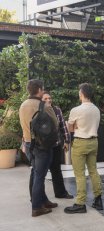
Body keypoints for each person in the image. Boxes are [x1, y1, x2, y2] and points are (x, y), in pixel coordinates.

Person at [19, 79, 59, 217]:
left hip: (29, 143)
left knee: (36, 173)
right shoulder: (44, 106)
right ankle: (36, 207)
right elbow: (56, 123)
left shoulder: (23, 105)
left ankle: (43, 201)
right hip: (42, 145)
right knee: (39, 176)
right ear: (40, 90)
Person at [64, 83, 103, 214]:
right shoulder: (96, 109)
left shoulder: (76, 110)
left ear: (81, 94)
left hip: (80, 142)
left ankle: (80, 203)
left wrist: (75, 127)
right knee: (93, 171)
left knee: (80, 174)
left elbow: (69, 128)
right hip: (94, 142)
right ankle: (98, 200)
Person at [41, 91, 73, 199]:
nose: (49, 100)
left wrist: (67, 140)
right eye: (45, 99)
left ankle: (60, 193)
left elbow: (63, 126)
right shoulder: (38, 111)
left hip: (56, 145)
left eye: (49, 98)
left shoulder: (57, 110)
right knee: (41, 172)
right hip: (43, 147)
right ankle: (39, 197)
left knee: (56, 170)